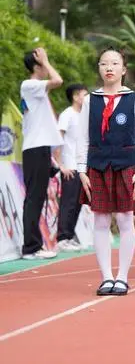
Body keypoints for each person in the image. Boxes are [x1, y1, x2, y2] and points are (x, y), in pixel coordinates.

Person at [77, 48, 135, 296]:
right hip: (96, 165)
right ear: (99, 68)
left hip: (126, 165)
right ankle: (106, 277)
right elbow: (82, 138)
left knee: (126, 219)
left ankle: (122, 277)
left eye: (115, 63)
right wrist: (81, 169)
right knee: (100, 220)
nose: (109, 67)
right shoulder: (90, 100)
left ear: (123, 69)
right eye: (104, 63)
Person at [20, 48, 64, 260]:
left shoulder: (37, 90)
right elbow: (58, 80)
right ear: (37, 66)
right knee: (34, 198)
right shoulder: (29, 85)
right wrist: (46, 61)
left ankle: (34, 245)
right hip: (35, 148)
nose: (47, 68)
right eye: (43, 64)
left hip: (41, 148)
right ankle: (30, 247)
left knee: (37, 198)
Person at [55, 83, 89, 252]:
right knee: (68, 203)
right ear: (75, 97)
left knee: (78, 203)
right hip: (69, 166)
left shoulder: (84, 116)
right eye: (84, 94)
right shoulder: (67, 115)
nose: (87, 97)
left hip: (82, 167)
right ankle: (62, 238)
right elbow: (58, 141)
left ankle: (69, 236)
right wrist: (61, 165)